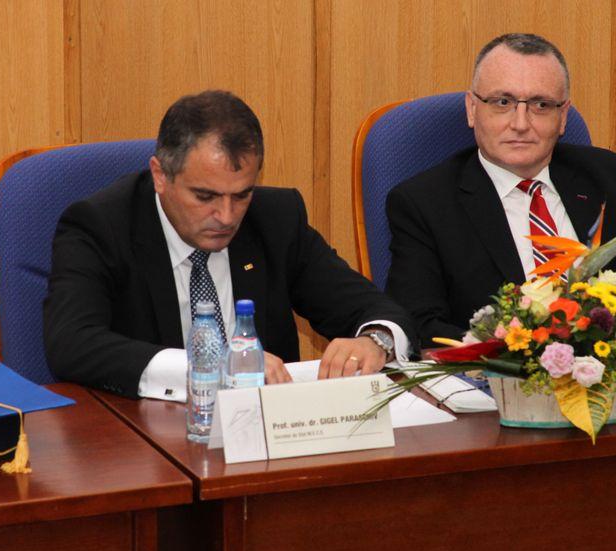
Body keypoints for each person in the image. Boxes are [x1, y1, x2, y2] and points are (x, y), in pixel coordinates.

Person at [44, 90, 414, 400]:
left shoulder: (275, 218)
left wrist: (375, 340)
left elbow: (371, 307)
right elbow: (72, 344)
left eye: (241, 195)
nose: (226, 216)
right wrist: (213, 364)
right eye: (205, 196)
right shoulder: (100, 226)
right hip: (149, 444)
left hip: (268, 444)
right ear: (160, 175)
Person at [386, 33, 616, 350]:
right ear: (472, 109)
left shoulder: (605, 175)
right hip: (498, 389)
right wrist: (526, 356)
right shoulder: (423, 203)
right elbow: (420, 324)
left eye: (540, 105)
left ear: (562, 116)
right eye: (503, 102)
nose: (520, 123)